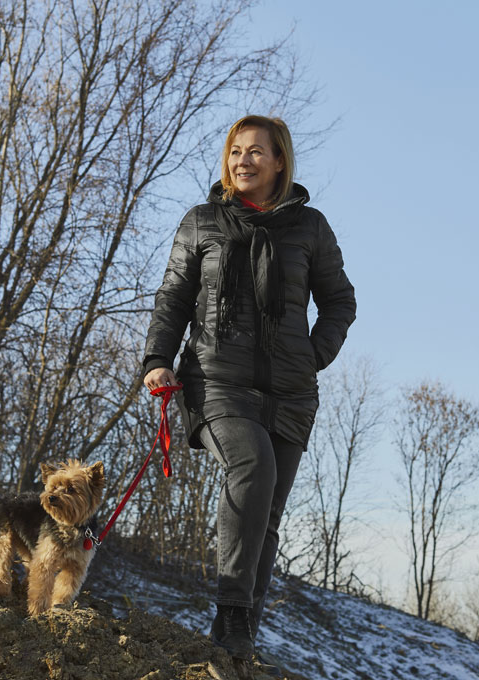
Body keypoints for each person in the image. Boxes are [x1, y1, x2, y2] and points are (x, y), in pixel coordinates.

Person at [141, 115, 356, 660]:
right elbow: (172, 298)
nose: (242, 160)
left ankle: (238, 648)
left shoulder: (311, 228)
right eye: (236, 151)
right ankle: (231, 614)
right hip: (215, 383)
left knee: (268, 517)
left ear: (280, 161)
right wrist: (158, 359)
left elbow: (340, 301)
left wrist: (314, 353)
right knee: (251, 465)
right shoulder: (202, 222)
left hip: (291, 393)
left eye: (256, 152)